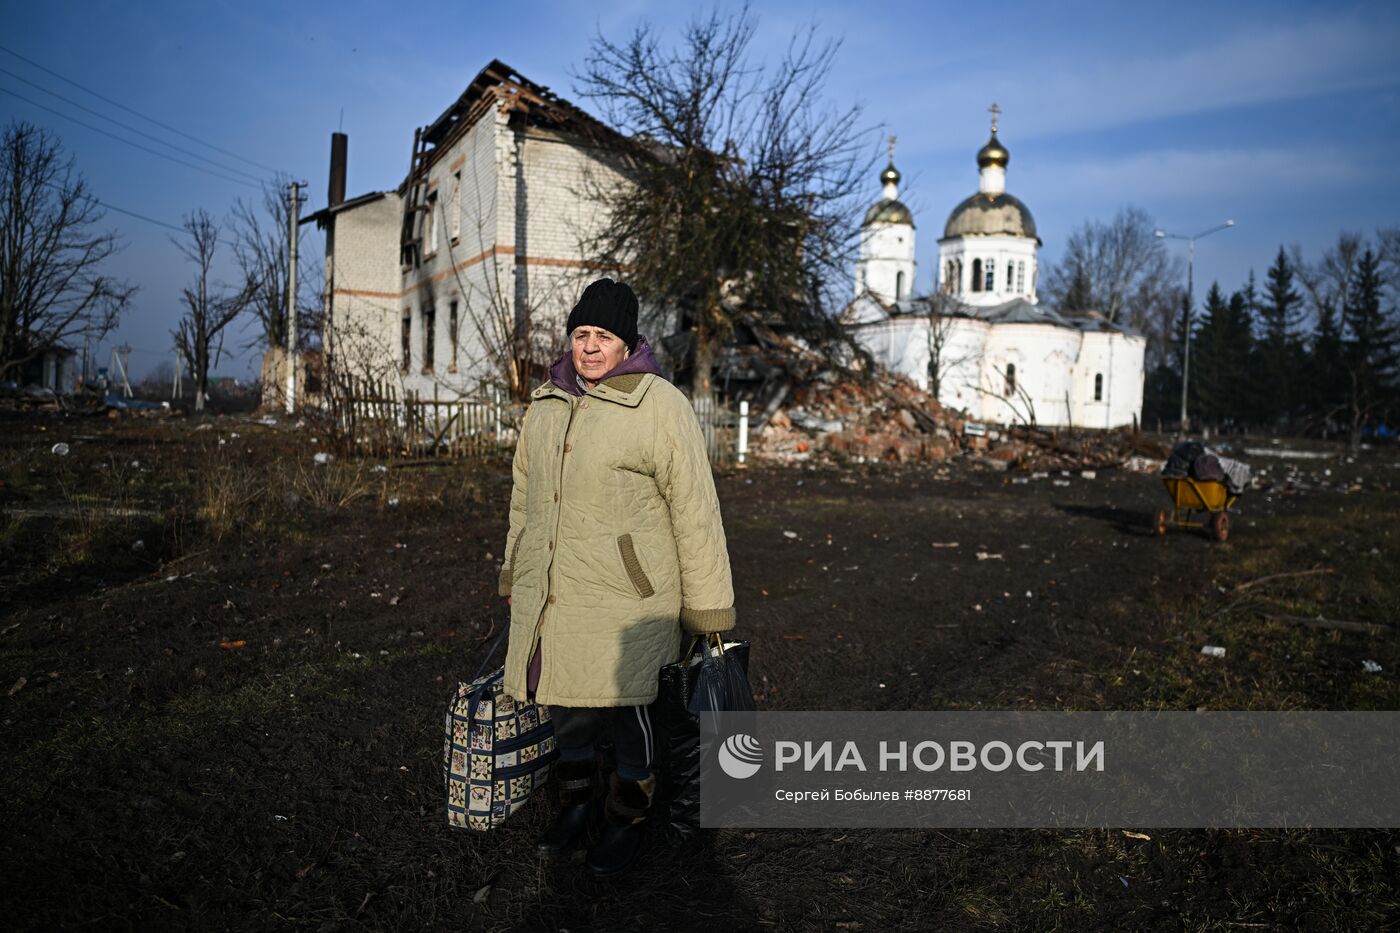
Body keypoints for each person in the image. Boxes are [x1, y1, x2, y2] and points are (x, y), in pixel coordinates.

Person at [497, 278, 736, 876]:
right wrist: (514, 569)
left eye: (604, 336)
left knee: (632, 715)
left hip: (631, 600)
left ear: (627, 342)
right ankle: (576, 807)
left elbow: (695, 510)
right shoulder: (546, 405)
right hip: (555, 592)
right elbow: (523, 499)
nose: (591, 347)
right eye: (581, 335)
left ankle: (627, 816)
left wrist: (708, 610)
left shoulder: (660, 405)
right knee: (565, 708)